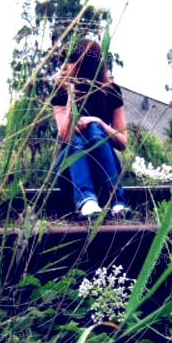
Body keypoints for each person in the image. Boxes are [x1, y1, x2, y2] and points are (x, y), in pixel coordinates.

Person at [50, 39, 129, 218]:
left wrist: (99, 122)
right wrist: (71, 96)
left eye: (70, 61)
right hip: (69, 171)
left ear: (85, 65)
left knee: (93, 127)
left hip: (102, 169)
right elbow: (63, 136)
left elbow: (123, 143)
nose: (64, 66)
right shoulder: (60, 92)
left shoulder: (111, 91)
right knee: (75, 138)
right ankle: (92, 200)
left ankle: (111, 202)